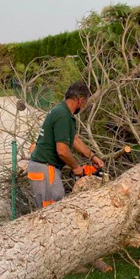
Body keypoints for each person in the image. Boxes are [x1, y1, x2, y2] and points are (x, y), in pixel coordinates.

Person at [26, 81, 105, 209]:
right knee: (52, 211)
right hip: (45, 168)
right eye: (85, 103)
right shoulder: (62, 114)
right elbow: (62, 150)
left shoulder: (63, 112)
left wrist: (92, 157)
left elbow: (74, 139)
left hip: (45, 168)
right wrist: (76, 168)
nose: (84, 106)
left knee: (54, 207)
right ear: (80, 100)